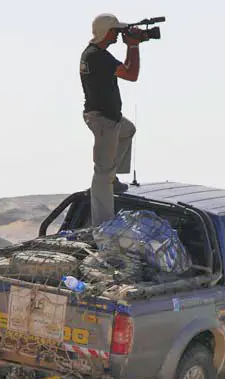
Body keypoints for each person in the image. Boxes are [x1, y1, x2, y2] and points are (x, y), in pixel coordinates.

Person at [80, 13, 141, 227]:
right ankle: (104, 225)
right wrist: (133, 46)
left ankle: (112, 181)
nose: (117, 35)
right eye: (115, 31)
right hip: (104, 120)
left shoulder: (94, 54)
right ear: (106, 32)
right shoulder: (98, 57)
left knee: (128, 130)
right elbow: (131, 74)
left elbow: (124, 71)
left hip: (107, 118)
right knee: (102, 173)